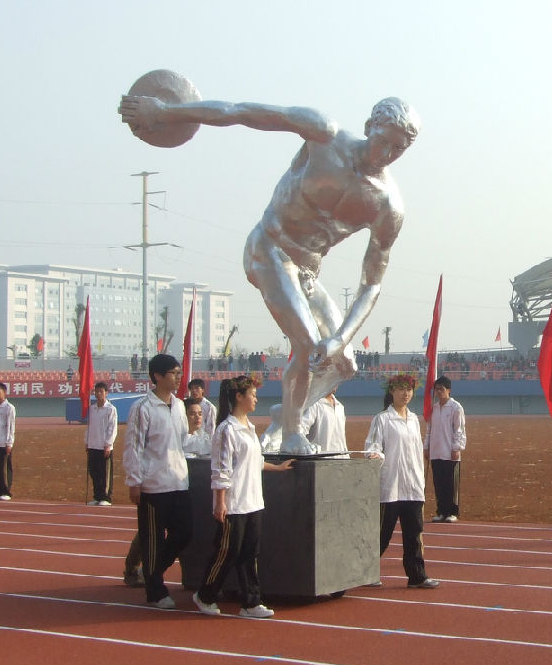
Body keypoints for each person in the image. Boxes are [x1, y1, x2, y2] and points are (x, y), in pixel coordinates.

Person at [119, 90, 421, 455]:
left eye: (397, 149)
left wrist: (341, 339)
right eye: (383, 141)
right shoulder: (324, 134)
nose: (386, 153)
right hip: (269, 248)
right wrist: (167, 110)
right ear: (370, 125)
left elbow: (372, 284)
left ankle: (285, 416)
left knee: (343, 363)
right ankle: (293, 432)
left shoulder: (388, 205)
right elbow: (241, 111)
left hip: (307, 271)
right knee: (308, 344)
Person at [194, 376, 293, 618]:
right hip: (234, 504)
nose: (256, 399)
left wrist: (277, 468)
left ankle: (251, 602)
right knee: (227, 552)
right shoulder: (226, 430)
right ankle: (205, 594)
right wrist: (220, 502)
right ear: (239, 397)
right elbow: (221, 470)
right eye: (252, 394)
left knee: (250, 553)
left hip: (253, 502)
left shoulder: (249, 427)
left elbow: (254, 462)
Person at [122, 353, 192, 607]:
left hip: (178, 482)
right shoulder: (143, 408)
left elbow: (183, 441)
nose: (178, 377)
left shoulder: (179, 406)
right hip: (153, 485)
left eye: (178, 372)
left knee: (184, 533)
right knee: (152, 539)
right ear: (157, 376)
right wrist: (134, 480)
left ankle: (150, 572)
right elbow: (134, 446)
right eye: (173, 373)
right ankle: (155, 591)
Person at [366, 373, 439, 588]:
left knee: (414, 533)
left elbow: (417, 451)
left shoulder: (414, 419)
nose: (405, 393)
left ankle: (417, 576)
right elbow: (372, 446)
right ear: (392, 392)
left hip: (412, 486)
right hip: (390, 485)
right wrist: (375, 455)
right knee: (382, 533)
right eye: (401, 389)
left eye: (409, 390)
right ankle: (364, 572)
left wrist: (420, 479)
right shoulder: (382, 419)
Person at [425, 376, 466, 523]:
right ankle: (441, 511)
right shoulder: (434, 408)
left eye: (441, 389)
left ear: (448, 390)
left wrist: (456, 448)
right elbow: (429, 429)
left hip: (450, 453)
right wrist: (426, 446)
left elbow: (459, 430)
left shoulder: (456, 408)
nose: (439, 392)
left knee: (451, 484)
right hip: (436, 451)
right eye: (436, 389)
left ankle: (452, 512)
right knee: (439, 483)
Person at [85, 381, 118, 506]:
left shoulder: (111, 409)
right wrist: (86, 441)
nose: (98, 394)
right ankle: (97, 496)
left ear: (106, 393)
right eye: (96, 391)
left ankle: (106, 497)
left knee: (105, 473)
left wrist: (108, 444)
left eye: (101, 391)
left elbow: (112, 428)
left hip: (104, 446)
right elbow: (89, 426)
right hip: (93, 444)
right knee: (94, 472)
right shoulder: (92, 408)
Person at [299, 388, 348, 455]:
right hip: (321, 461)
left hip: (342, 459)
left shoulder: (340, 407)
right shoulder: (313, 405)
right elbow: (300, 430)